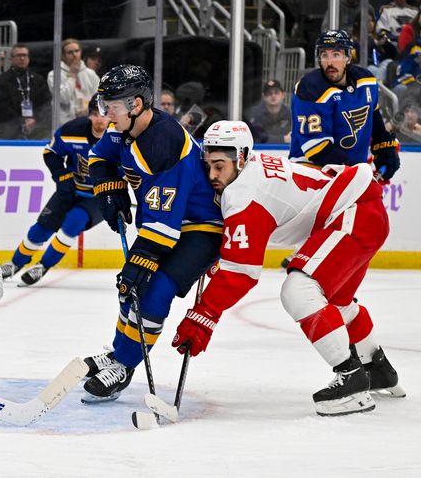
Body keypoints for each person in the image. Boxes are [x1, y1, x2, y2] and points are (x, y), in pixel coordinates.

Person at [172, 120, 404, 417]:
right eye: (209, 165)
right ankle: (377, 368)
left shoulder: (243, 193)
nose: (213, 174)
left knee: (299, 290)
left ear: (240, 158)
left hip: (352, 213)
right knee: (336, 303)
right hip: (361, 210)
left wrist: (205, 314)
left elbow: (242, 272)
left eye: (220, 165)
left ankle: (352, 378)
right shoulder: (252, 167)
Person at [80, 65, 222, 401]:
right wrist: (109, 188)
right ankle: (119, 351)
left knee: (152, 289)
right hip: (165, 223)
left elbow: (163, 229)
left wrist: (137, 266)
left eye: (110, 106)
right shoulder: (129, 127)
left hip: (200, 229)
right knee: (128, 286)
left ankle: (125, 366)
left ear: (136, 104)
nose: (105, 115)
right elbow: (99, 155)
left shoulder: (163, 146)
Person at [1, 95, 110, 285]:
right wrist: (62, 177)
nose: (99, 120)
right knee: (42, 227)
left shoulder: (118, 138)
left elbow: (130, 168)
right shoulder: (73, 130)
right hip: (70, 190)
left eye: (104, 115)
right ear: (89, 114)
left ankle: (43, 266)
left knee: (73, 223)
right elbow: (51, 153)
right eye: (94, 114)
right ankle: (15, 263)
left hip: (97, 197)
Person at [289, 30, 400, 184]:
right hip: (312, 174)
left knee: (374, 208)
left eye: (336, 55)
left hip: (351, 174)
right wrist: (355, 173)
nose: (329, 62)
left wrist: (385, 148)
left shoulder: (366, 81)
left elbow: (374, 118)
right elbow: (317, 149)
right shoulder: (310, 89)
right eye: (324, 55)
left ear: (348, 57)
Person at [0, 43, 52, 139]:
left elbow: (46, 104)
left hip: (36, 124)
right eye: (19, 55)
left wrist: (35, 119)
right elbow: (1, 107)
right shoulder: (2, 80)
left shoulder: (38, 79)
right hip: (11, 125)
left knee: (46, 133)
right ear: (11, 58)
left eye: (24, 55)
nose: (22, 58)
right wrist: (21, 121)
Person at [47, 39, 100, 126]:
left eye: (76, 51)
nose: (74, 55)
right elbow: (64, 98)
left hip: (89, 122)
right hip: (65, 124)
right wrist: (72, 75)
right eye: (70, 52)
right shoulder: (54, 75)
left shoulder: (90, 74)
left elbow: (99, 98)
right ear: (63, 56)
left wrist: (89, 109)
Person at [247, 79, 291, 143]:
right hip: (260, 150)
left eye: (276, 92)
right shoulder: (255, 113)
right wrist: (283, 139)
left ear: (283, 95)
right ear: (263, 97)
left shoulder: (291, 113)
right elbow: (258, 136)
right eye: (269, 93)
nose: (273, 96)